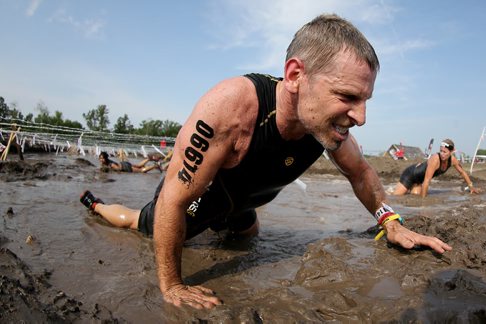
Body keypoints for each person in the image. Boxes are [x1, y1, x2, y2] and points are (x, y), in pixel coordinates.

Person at [80, 14, 452, 310]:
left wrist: (391, 222)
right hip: (198, 201)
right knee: (140, 224)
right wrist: (173, 285)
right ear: (295, 76)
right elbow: (174, 201)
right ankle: (95, 204)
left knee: (248, 237)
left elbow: (362, 173)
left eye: (365, 100)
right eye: (347, 96)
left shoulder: (325, 126)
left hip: (244, 209)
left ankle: (232, 223)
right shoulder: (231, 108)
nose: (361, 116)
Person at [390, 139, 481, 197]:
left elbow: (463, 172)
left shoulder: (453, 160)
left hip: (419, 181)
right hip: (410, 174)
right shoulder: (435, 159)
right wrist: (424, 202)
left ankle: (411, 187)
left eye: (445, 152)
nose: (442, 154)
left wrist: (471, 187)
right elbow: (427, 181)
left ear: (452, 151)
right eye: (440, 151)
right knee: (396, 196)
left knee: (415, 196)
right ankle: (390, 190)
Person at [98, 151, 171, 173]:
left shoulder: (110, 164)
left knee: (141, 171)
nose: (101, 160)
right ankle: (149, 159)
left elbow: (118, 169)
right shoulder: (106, 163)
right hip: (124, 164)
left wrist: (113, 170)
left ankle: (155, 166)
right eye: (100, 158)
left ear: (106, 158)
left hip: (125, 167)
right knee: (138, 166)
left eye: (102, 158)